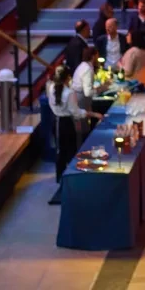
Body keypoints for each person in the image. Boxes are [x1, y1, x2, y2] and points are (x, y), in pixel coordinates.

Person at [47, 65, 91, 197]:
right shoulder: (69, 93)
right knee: (70, 151)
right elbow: (75, 112)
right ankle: (71, 178)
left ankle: (61, 178)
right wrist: (89, 113)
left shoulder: (51, 88)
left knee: (60, 151)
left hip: (56, 121)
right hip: (66, 123)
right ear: (68, 78)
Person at [72, 44, 100, 125]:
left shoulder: (83, 65)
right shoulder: (88, 69)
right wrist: (99, 89)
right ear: (93, 56)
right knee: (83, 126)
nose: (98, 58)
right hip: (81, 99)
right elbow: (87, 92)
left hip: (79, 97)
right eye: (97, 56)